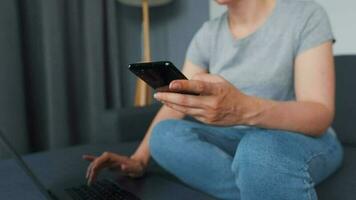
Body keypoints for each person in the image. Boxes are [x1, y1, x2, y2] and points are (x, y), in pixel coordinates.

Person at [83, 0, 343, 199]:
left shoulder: (305, 15)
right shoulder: (208, 33)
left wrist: (246, 109)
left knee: (258, 152)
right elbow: (178, 101)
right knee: (164, 135)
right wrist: (139, 159)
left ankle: (259, 175)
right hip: (234, 138)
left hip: (300, 137)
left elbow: (319, 115)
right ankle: (256, 185)